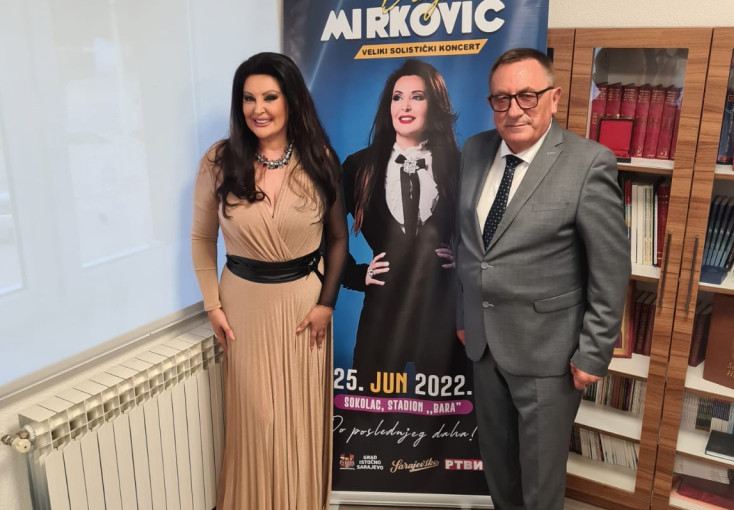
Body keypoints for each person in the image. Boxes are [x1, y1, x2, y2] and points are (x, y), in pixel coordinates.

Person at [455, 48, 631, 509]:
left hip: (549, 352)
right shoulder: (474, 151)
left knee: (539, 481)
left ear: (554, 98)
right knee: (499, 469)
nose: (514, 110)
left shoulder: (588, 163)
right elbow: (466, 244)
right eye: (501, 98)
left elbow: (610, 268)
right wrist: (464, 314)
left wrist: (594, 351)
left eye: (527, 96)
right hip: (483, 345)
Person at [191, 52, 347, 510]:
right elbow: (201, 238)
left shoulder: (320, 158)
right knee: (257, 420)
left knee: (299, 417)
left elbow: (339, 239)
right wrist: (212, 305)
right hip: (243, 307)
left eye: (270, 97)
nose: (258, 109)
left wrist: (327, 304)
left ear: (291, 101)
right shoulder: (219, 161)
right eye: (248, 98)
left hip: (305, 308)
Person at [342, 59, 463, 387]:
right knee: (370, 408)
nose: (405, 106)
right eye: (398, 97)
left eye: (417, 97)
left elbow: (490, 233)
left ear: (434, 105)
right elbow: (325, 232)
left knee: (446, 412)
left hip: (441, 317)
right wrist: (354, 274)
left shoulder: (459, 166)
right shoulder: (358, 167)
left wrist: (464, 261)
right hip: (381, 316)